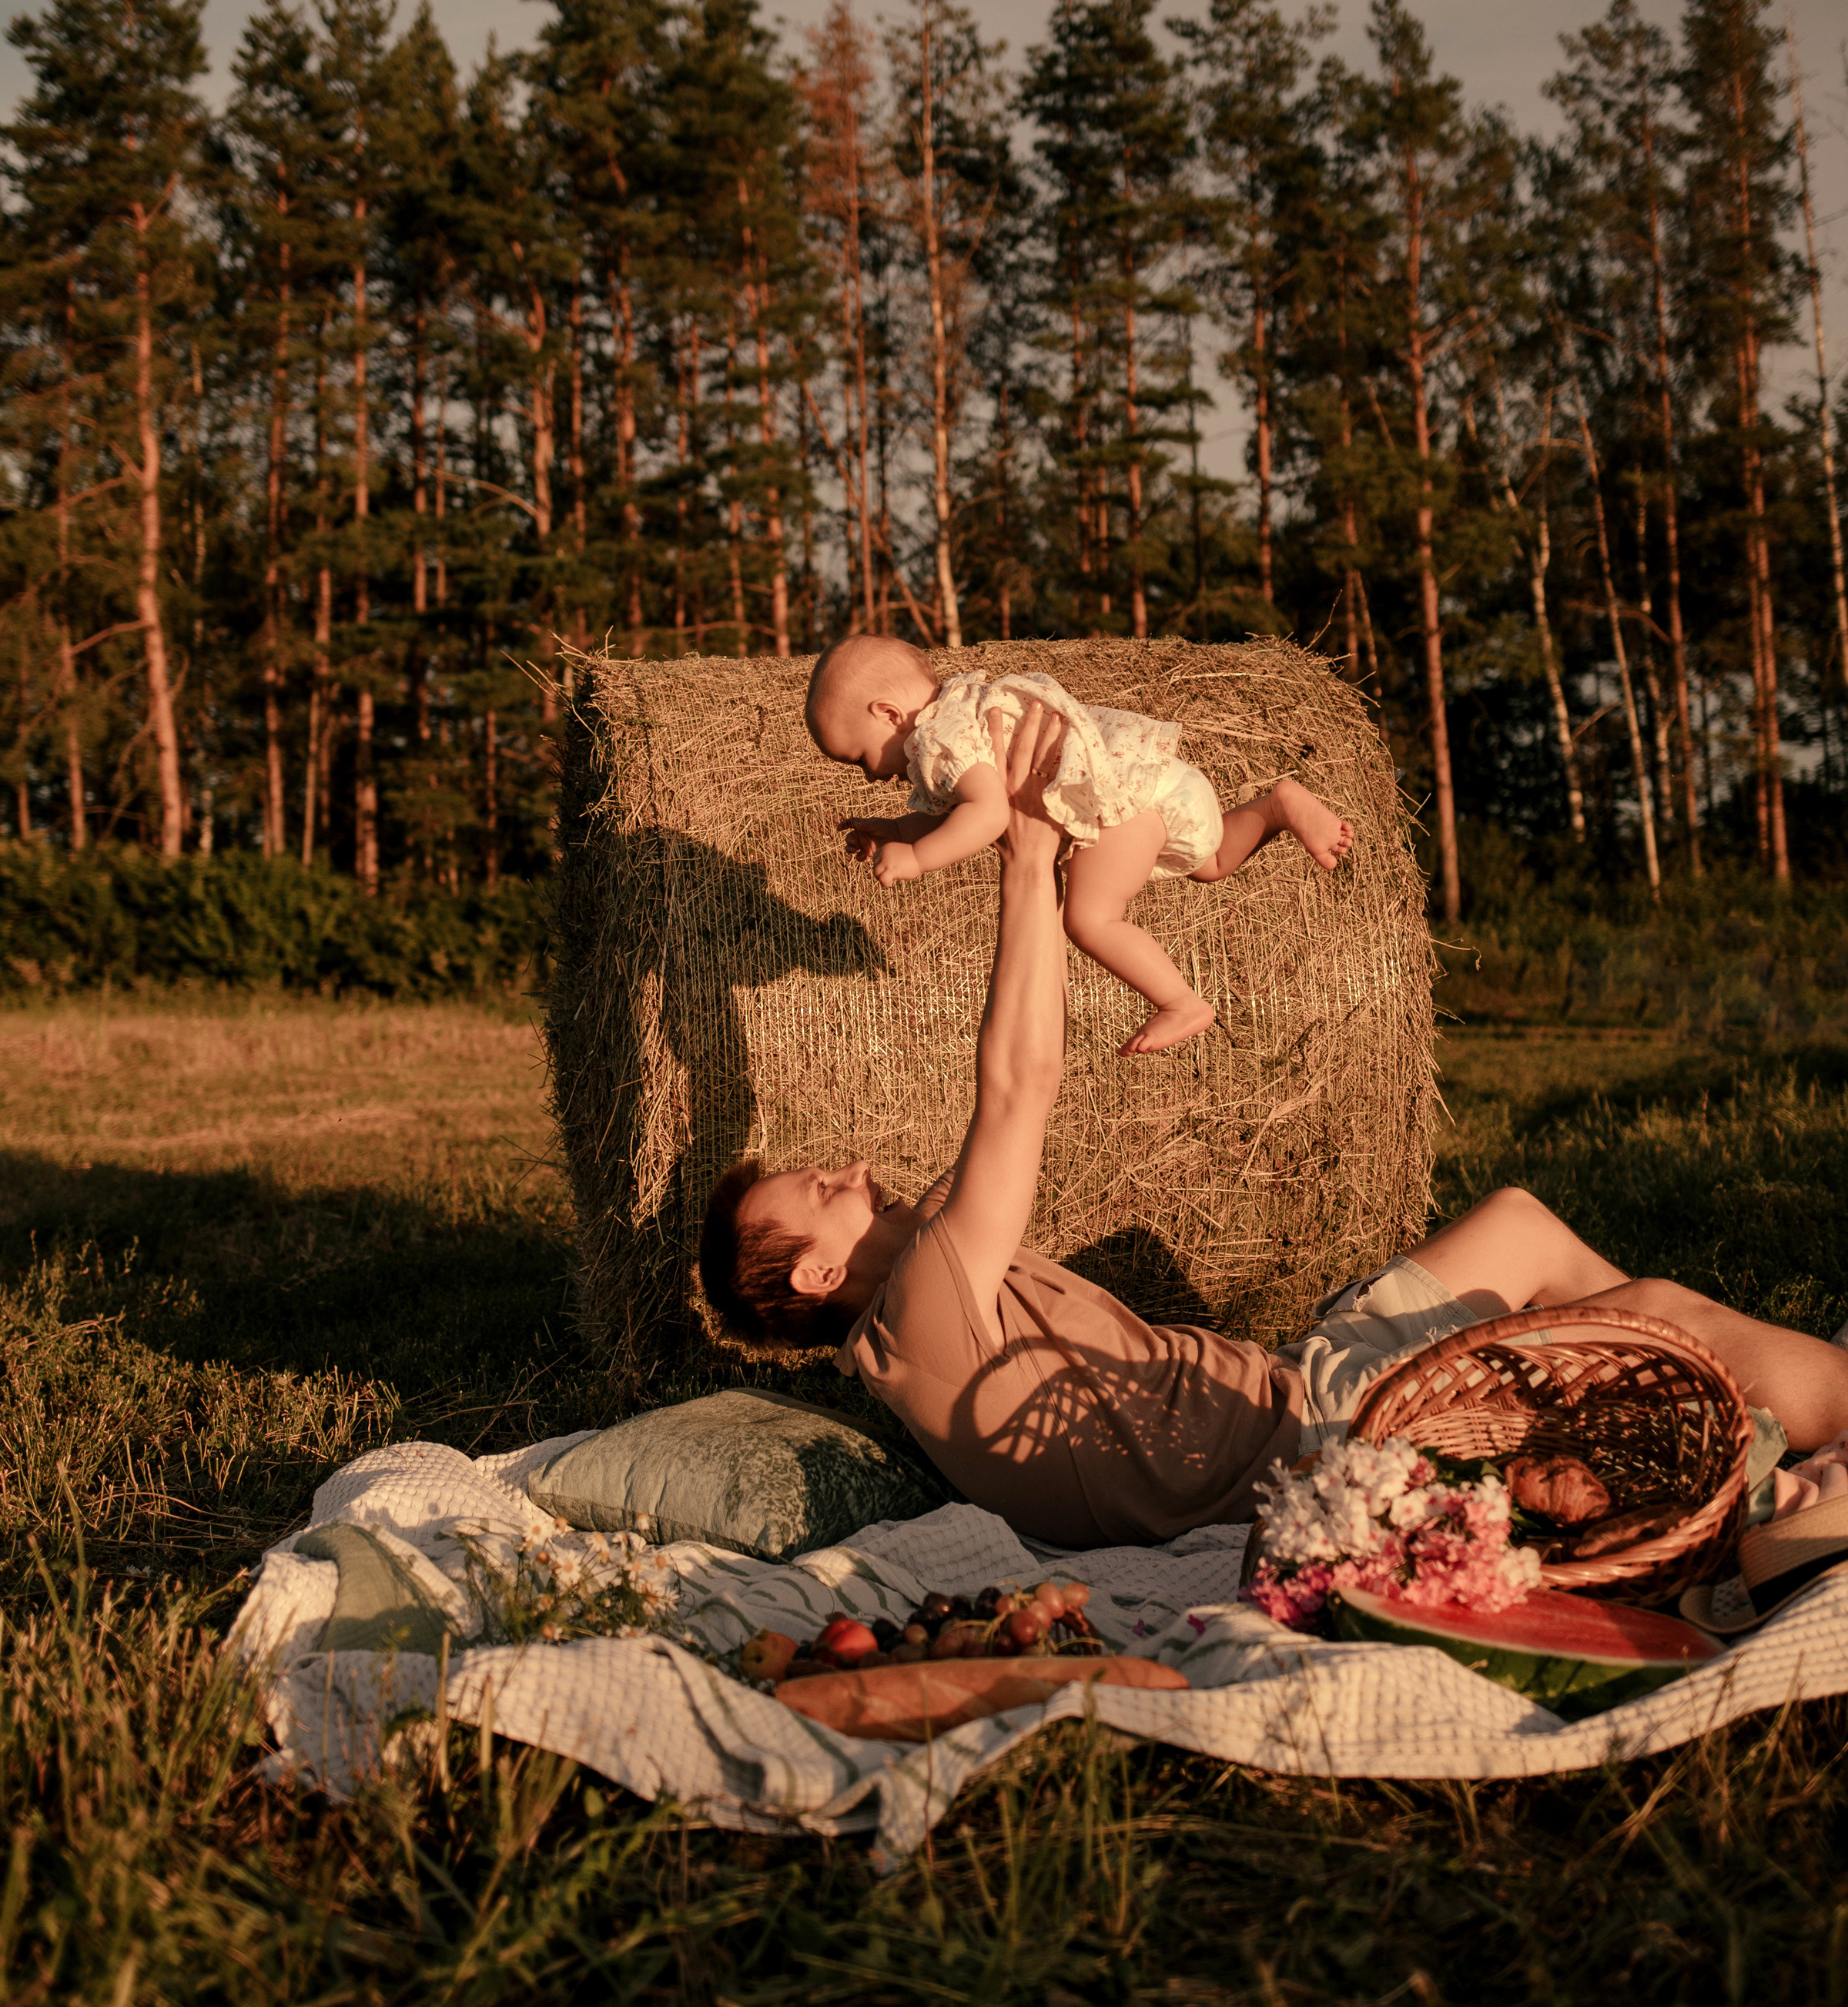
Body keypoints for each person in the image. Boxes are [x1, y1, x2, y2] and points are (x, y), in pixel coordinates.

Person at [701, 699, 1848, 1551]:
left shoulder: (938, 1282)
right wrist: (1025, 864)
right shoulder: (921, 1318)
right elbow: (1019, 1086)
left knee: (1522, 1228)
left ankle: (1673, 1402)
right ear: (816, 1276)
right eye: (823, 1188)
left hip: (1302, 1379)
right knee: (1645, 1316)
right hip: (1332, 1442)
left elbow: (1024, 1060)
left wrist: (1047, 879)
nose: (853, 1167)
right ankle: (1721, 1401)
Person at [803, 633, 1353, 1054]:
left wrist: (918, 858)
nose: (869, 776)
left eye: (859, 758)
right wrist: (896, 830)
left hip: (1127, 799)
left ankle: (1181, 1002)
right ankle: (1274, 807)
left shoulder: (935, 740)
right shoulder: (957, 712)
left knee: (1088, 919)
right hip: (1163, 786)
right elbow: (963, 809)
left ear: (888, 714)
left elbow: (989, 812)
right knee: (1208, 862)